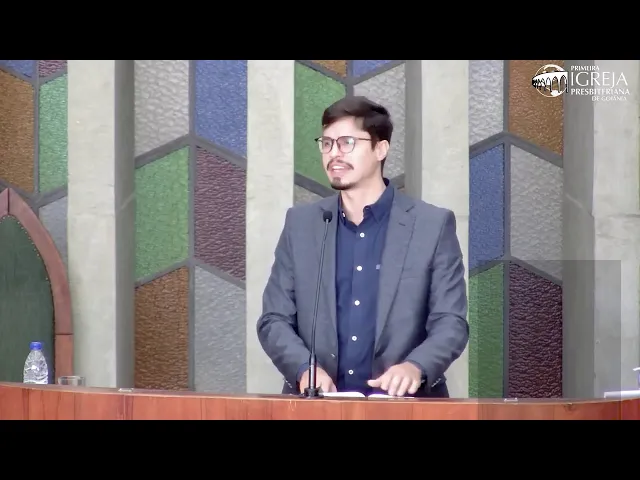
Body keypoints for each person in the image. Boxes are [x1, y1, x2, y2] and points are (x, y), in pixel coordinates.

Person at [256, 96, 468, 398]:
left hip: (405, 408)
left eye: (347, 143)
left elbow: (451, 322)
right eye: (327, 143)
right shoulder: (301, 225)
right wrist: (305, 369)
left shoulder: (431, 226)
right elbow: (274, 319)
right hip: (316, 406)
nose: (334, 154)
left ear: (380, 149)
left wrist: (416, 367)